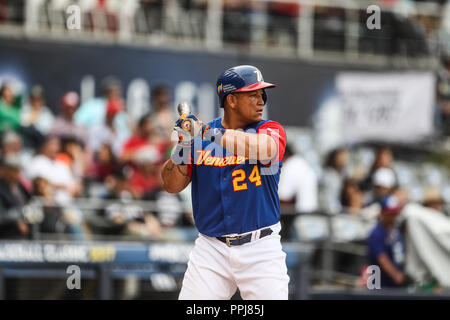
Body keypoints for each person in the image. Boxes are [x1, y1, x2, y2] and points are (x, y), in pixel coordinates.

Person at [162, 65, 290, 300]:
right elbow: (171, 185)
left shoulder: (270, 130)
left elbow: (265, 150)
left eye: (262, 94)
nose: (261, 100)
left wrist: (207, 133)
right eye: (253, 94)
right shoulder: (200, 137)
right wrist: (182, 145)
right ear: (231, 100)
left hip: (260, 247)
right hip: (211, 249)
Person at [367, 194, 407, 288]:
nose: (393, 216)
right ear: (382, 213)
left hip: (394, 287)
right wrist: (397, 276)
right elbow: (382, 259)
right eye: (390, 213)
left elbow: (402, 253)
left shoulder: (396, 231)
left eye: (395, 213)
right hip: (379, 287)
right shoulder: (376, 233)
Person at [278, 143, 318, 213]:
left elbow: (284, 196)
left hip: (297, 215)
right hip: (311, 212)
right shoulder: (302, 162)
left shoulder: (290, 165)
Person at [0, 154, 31, 239]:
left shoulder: (20, 186)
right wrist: (17, 219)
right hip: (7, 234)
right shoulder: (2, 188)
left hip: (27, 230)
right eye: (14, 170)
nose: (18, 173)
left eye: (18, 170)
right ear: (5, 170)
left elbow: (29, 202)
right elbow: (2, 215)